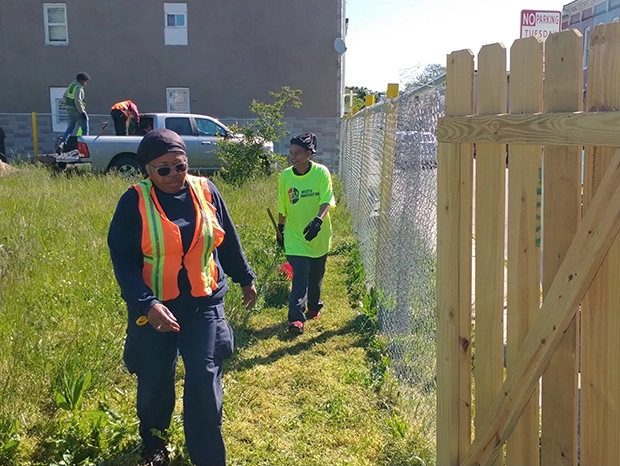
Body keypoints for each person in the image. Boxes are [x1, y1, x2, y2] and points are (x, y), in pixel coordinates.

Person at [107, 128, 257, 466]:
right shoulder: (134, 201)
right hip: (156, 308)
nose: (174, 175)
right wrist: (147, 303)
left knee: (204, 377)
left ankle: (207, 456)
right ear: (147, 170)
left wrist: (245, 277)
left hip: (204, 303)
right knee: (155, 377)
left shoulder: (206, 191)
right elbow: (123, 261)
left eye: (181, 166)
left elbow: (227, 239)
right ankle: (155, 444)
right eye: (164, 169)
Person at [277, 132, 336, 335]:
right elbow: (283, 205)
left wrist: (318, 220)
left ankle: (313, 306)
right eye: (291, 153)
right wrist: (280, 229)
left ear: (309, 153)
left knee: (316, 274)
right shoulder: (286, 176)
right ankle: (296, 318)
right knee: (300, 275)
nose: (293, 157)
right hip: (295, 235)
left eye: (298, 153)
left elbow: (326, 199)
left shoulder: (321, 173)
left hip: (318, 233)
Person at [62, 72, 90, 143]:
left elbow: (64, 96)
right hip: (77, 110)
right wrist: (82, 112)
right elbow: (77, 101)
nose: (85, 83)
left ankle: (62, 142)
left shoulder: (71, 86)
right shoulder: (79, 88)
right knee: (84, 128)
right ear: (81, 80)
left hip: (69, 110)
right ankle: (85, 144)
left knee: (70, 128)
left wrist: (66, 106)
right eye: (85, 81)